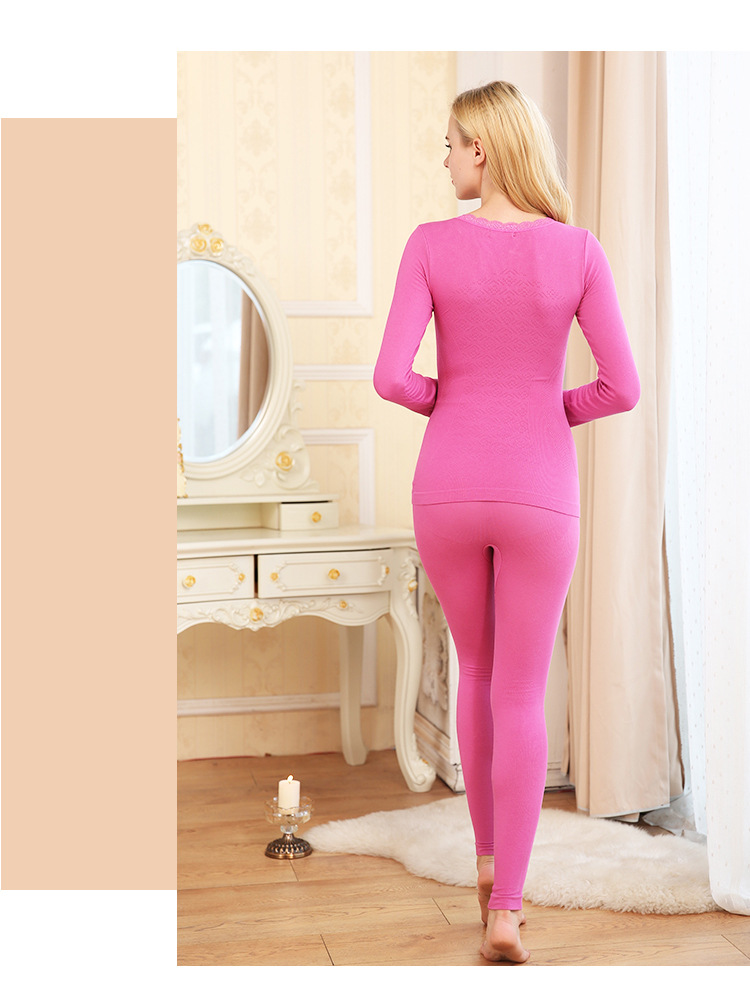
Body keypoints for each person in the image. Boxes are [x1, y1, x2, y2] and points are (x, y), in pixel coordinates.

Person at [373, 81, 640, 964]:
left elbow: (390, 377)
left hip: (447, 485)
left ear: (481, 149)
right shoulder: (579, 250)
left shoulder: (429, 244)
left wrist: (453, 400)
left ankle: (486, 862)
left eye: (450, 143)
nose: (445, 157)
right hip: (539, 488)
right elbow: (622, 386)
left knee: (477, 670)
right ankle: (508, 912)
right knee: (522, 691)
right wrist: (547, 408)